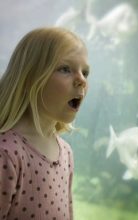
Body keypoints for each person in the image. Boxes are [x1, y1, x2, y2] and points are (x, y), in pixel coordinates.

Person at [0, 27, 90, 220]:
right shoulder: (7, 154)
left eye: (85, 72)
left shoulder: (65, 152)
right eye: (65, 69)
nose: (82, 80)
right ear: (29, 77)